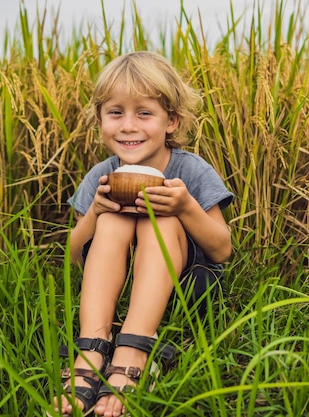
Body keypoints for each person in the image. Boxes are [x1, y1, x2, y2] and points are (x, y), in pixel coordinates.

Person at [51, 51, 234, 417]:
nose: (128, 126)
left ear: (172, 121)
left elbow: (222, 250)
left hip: (185, 289)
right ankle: (92, 345)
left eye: (144, 113)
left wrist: (184, 208)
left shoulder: (190, 170)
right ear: (100, 120)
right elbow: (71, 255)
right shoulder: (102, 174)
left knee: (161, 218)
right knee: (113, 220)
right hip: (118, 279)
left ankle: (135, 348)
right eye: (115, 112)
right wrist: (97, 212)